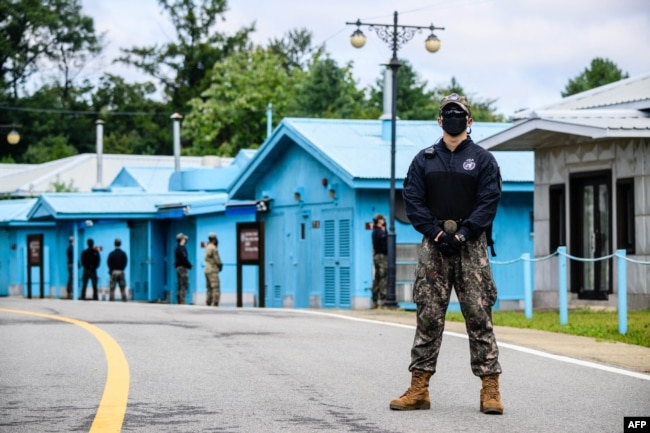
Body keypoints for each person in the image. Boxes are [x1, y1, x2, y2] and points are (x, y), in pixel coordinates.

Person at [390, 93, 504, 414]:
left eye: (459, 113)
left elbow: (488, 201)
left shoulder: (483, 160)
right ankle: (419, 388)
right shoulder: (424, 160)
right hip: (433, 247)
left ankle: (490, 390)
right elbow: (413, 201)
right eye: (447, 113)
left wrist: (466, 233)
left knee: (479, 315)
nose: (453, 117)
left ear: (469, 120)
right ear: (439, 120)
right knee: (428, 316)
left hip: (473, 247)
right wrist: (437, 233)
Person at [370, 213, 387, 309]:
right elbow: (385, 244)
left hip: (376, 256)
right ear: (379, 220)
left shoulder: (374, 231)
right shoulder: (380, 232)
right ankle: (383, 300)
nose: (384, 221)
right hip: (382, 256)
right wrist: (385, 231)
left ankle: (375, 300)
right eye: (382, 219)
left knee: (377, 278)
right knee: (383, 277)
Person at [204, 232, 223, 307]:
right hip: (212, 270)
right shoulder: (213, 248)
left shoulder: (207, 247)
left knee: (209, 287)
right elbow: (217, 260)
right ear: (214, 239)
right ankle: (215, 303)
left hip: (207, 269)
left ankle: (208, 302)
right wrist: (220, 266)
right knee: (215, 287)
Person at [174, 233, 192, 304]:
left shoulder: (177, 248)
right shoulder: (182, 249)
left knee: (180, 284)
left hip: (178, 267)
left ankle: (179, 299)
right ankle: (181, 300)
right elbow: (184, 259)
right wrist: (189, 266)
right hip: (182, 268)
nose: (185, 240)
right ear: (181, 240)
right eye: (184, 239)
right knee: (184, 284)